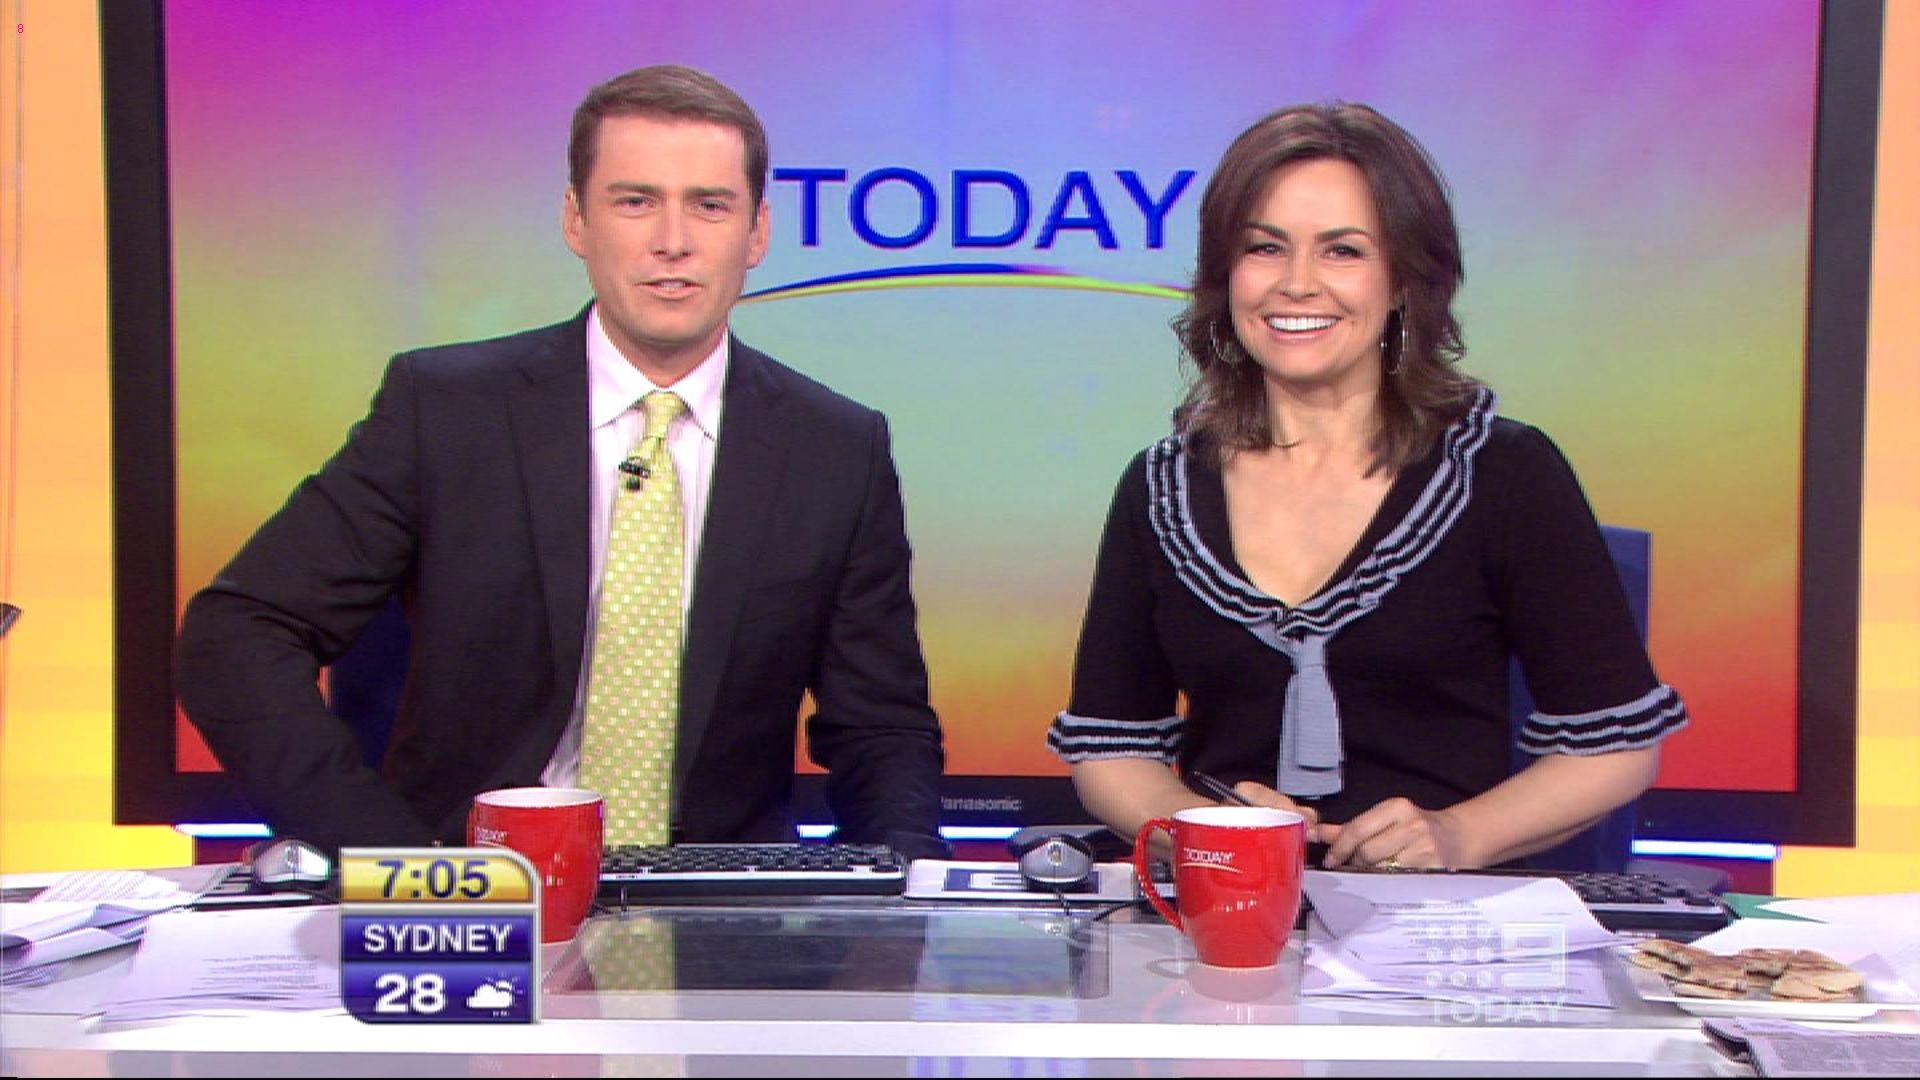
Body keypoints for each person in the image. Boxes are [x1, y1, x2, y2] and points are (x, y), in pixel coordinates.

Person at [176, 65, 948, 860]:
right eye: (635, 201)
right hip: (466, 885)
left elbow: (880, 726)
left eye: (709, 205)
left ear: (757, 233)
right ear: (577, 220)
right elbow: (234, 637)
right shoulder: (445, 411)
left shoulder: (836, 449)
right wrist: (385, 856)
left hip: (717, 894)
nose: (673, 240)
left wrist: (905, 895)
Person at [1048, 103, 1688, 871]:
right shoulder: (1162, 487)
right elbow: (1110, 750)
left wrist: (1457, 835)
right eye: (1264, 248)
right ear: (1225, 275)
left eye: (1343, 251)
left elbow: (1616, 748)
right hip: (1231, 910)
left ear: (1403, 281)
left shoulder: (1505, 472)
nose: (1296, 284)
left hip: (1445, 919)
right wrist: (1204, 830)